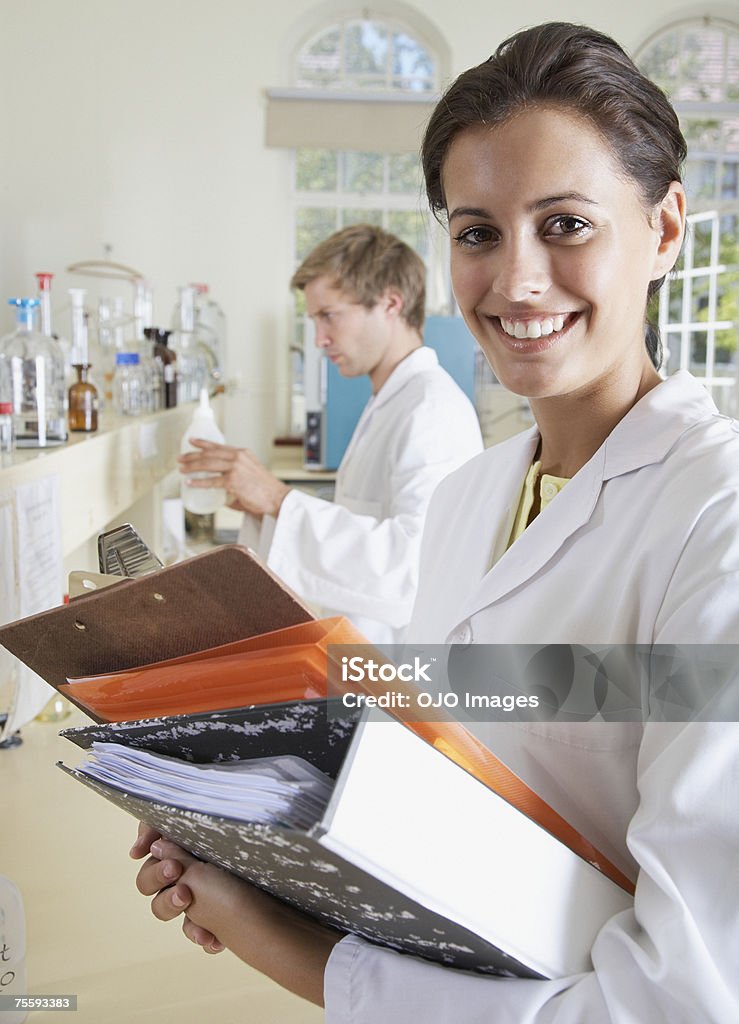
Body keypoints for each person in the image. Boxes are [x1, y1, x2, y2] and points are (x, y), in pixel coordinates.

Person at [131, 22, 739, 1022]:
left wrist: (300, 954)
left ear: (665, 229)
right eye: (476, 232)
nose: (516, 280)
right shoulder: (474, 496)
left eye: (567, 224)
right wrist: (250, 846)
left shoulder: (713, 515)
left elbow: (678, 999)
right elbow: (448, 765)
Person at [178, 224, 483, 644]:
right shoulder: (390, 402)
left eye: (329, 316)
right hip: (365, 660)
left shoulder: (431, 410)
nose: (319, 339)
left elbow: (413, 570)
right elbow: (365, 531)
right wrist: (265, 507)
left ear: (390, 303)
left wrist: (277, 499)